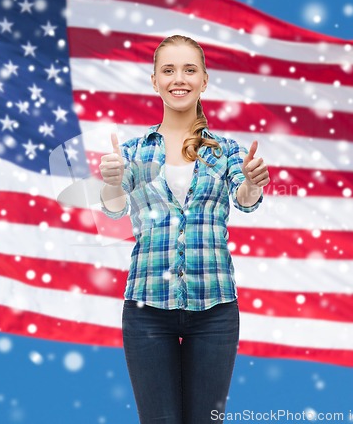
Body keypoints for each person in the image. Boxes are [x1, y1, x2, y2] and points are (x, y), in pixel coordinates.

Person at [99, 35, 269, 424]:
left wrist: (253, 182)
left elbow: (243, 198)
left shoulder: (225, 150)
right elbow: (114, 209)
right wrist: (111, 180)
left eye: (190, 70)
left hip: (215, 309)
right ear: (154, 80)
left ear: (204, 80)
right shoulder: (133, 151)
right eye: (169, 70)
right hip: (147, 308)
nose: (180, 78)